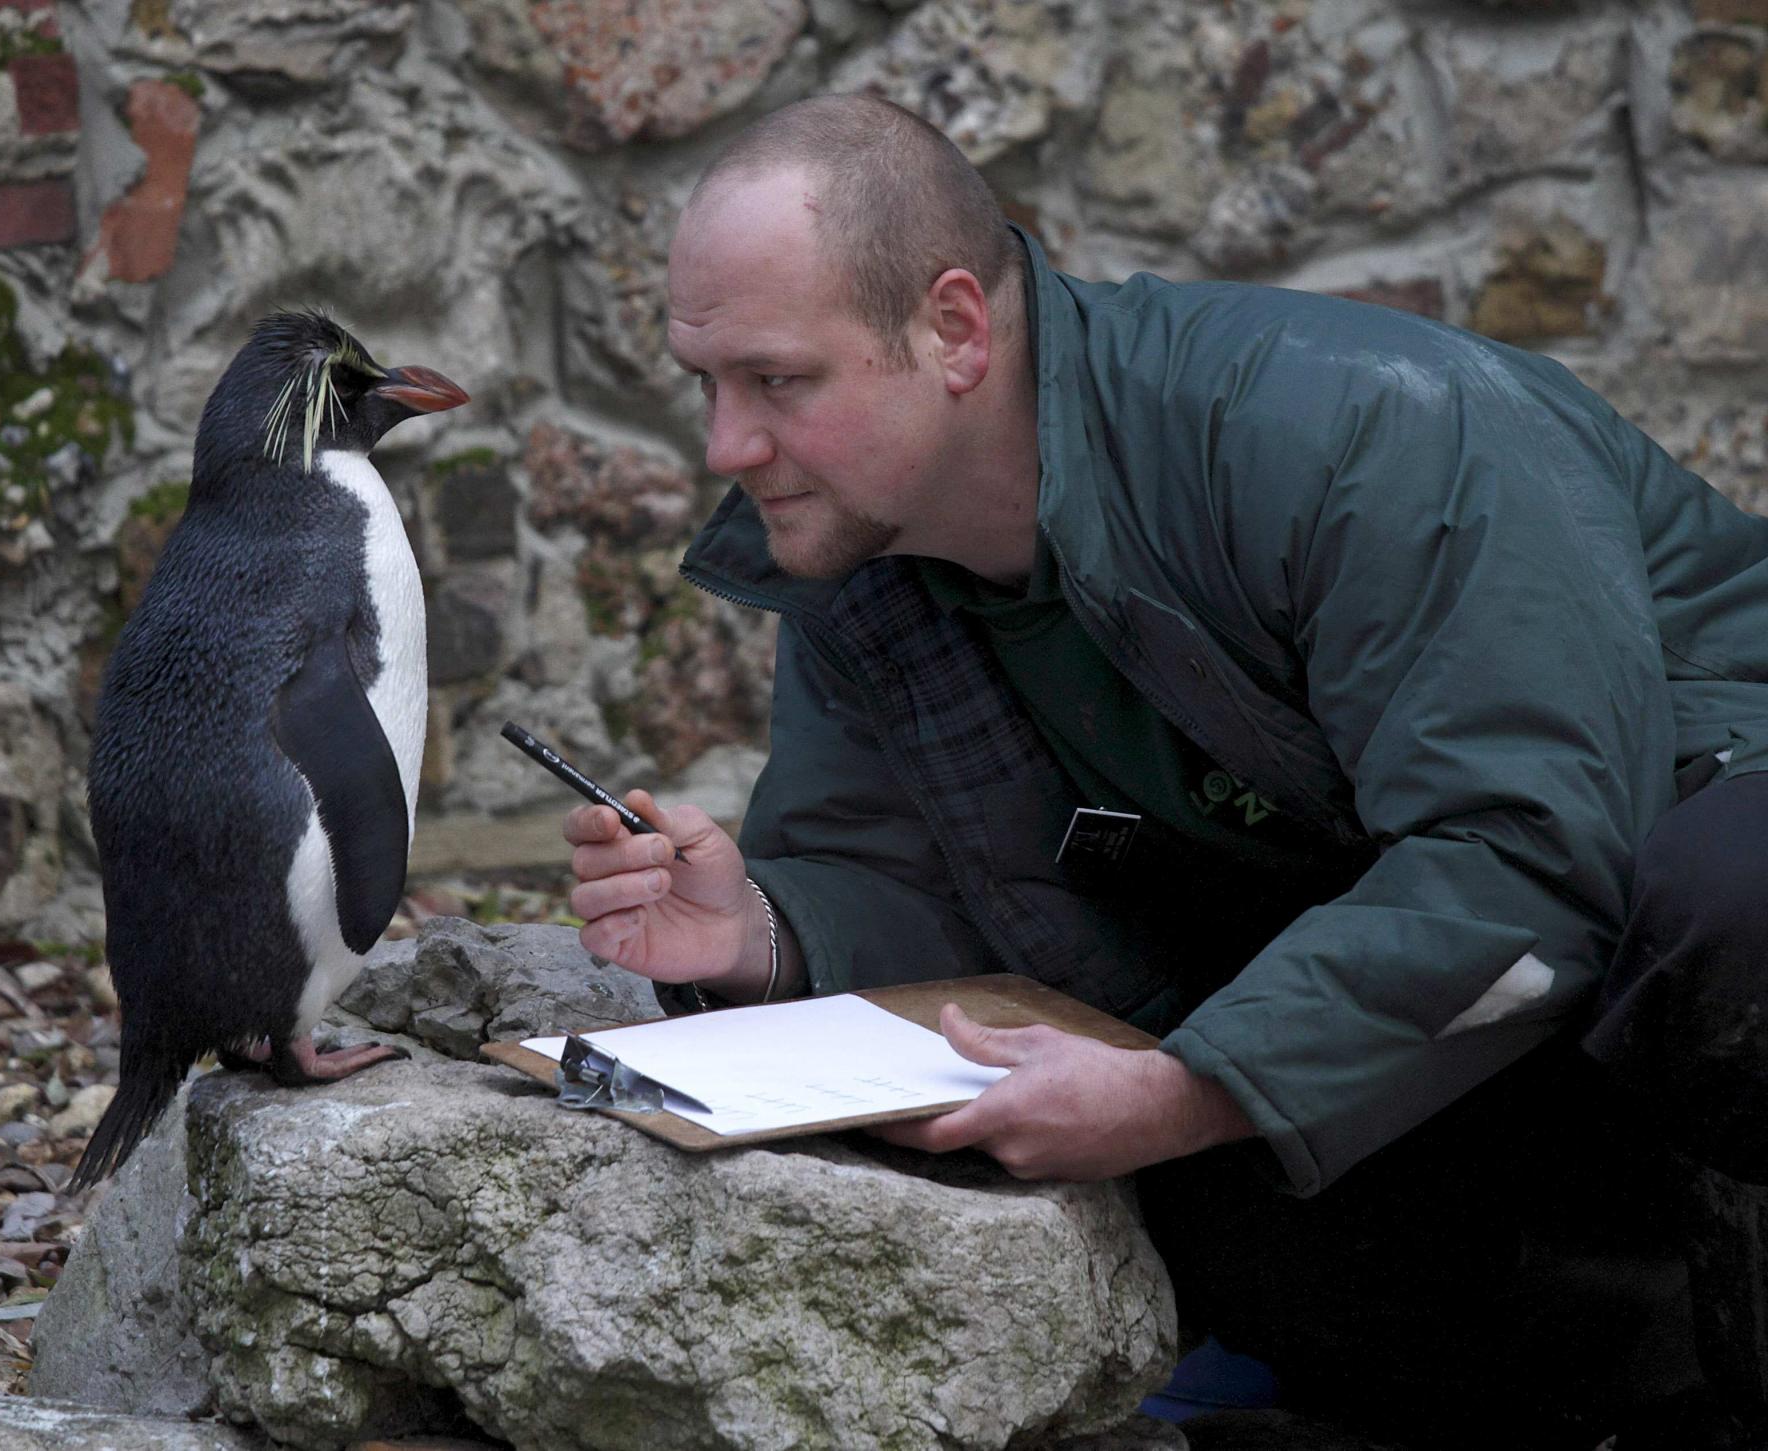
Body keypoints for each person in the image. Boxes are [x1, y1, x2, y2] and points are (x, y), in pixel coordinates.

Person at [558, 93, 1768, 1449]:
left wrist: (1189, 1090)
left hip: (1701, 851)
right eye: (704, 385)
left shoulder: (1353, 433)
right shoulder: (870, 556)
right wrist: (758, 933)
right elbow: (917, 891)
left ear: (953, 329)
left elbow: (1532, 847)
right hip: (1484, 1007)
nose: (725, 448)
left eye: (778, 382)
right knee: (1227, 1212)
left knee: (1739, 911)